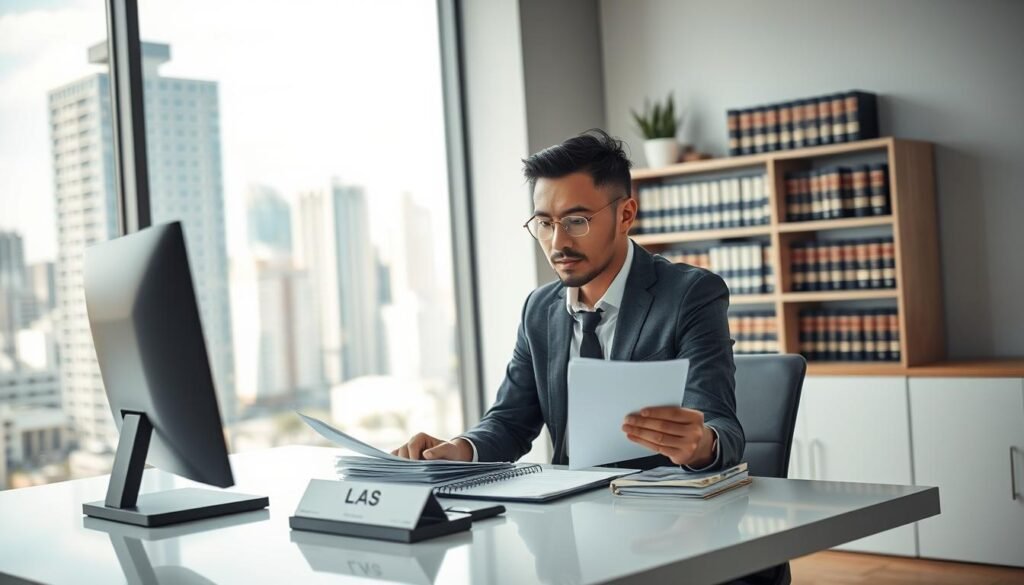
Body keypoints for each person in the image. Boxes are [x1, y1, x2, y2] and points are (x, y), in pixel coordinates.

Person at [393, 128, 743, 472]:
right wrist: (460, 449)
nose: (558, 242)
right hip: (567, 514)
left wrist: (700, 445)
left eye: (577, 221)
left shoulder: (690, 295)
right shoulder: (539, 309)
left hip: (664, 514)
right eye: (545, 223)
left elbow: (721, 426)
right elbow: (510, 423)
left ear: (625, 215)